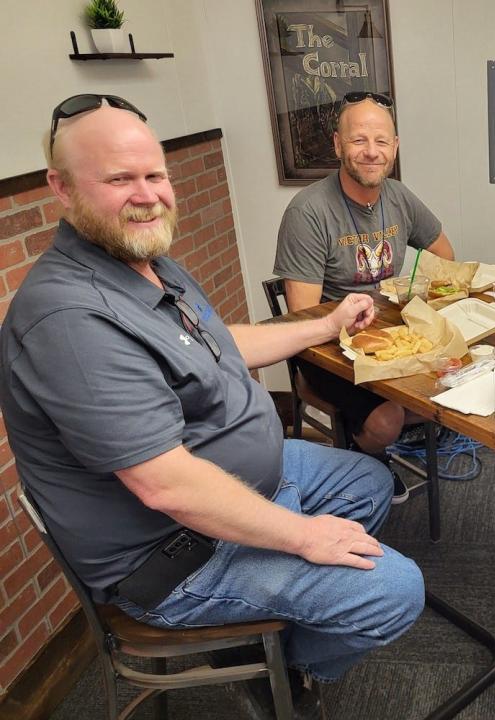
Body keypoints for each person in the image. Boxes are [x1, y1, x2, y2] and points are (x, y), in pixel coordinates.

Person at [0, 95, 425, 718]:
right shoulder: (69, 319)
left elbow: (220, 341)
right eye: (119, 179)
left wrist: (326, 323)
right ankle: (283, 672)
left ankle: (278, 637)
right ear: (61, 189)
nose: (145, 194)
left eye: (154, 175)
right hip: (175, 551)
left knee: (367, 478)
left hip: (235, 482)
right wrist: (302, 536)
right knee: (395, 590)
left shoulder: (146, 264)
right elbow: (167, 486)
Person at [274, 91, 455, 504]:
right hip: (329, 352)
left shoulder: (399, 197)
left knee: (455, 383)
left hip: (392, 342)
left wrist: (414, 293)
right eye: (358, 141)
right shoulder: (308, 212)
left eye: (381, 142)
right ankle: (366, 461)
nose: (371, 152)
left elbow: (446, 258)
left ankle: (370, 448)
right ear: (338, 145)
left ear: (394, 147)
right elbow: (304, 319)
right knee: (389, 418)